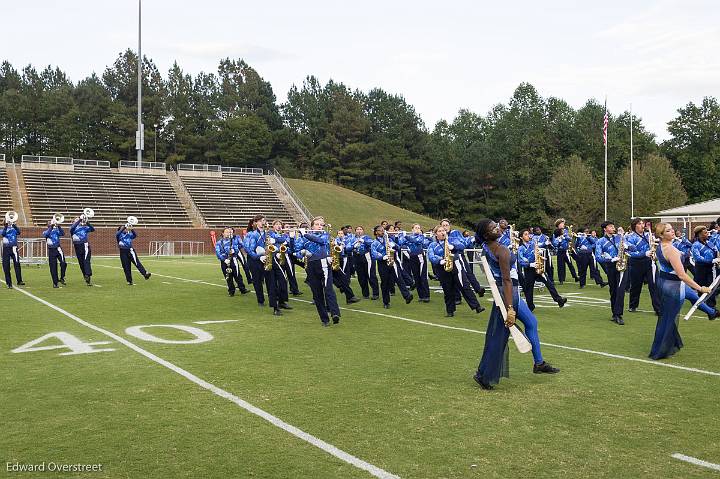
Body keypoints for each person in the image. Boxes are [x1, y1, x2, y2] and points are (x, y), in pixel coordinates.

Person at [473, 219, 559, 391]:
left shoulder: (487, 247)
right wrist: (510, 308)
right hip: (508, 292)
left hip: (504, 292)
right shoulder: (502, 250)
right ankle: (483, 374)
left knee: (530, 323)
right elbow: (506, 279)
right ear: (486, 234)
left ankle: (539, 363)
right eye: (493, 228)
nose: (497, 228)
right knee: (499, 336)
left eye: (495, 225)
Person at [650, 223, 713, 360]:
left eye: (672, 229)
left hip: (666, 282)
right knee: (668, 318)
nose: (672, 231)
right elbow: (682, 275)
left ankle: (711, 313)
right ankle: (660, 350)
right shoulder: (670, 249)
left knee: (667, 317)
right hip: (673, 286)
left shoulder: (662, 246)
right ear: (661, 235)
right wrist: (700, 288)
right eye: (668, 230)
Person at [426, 225, 484, 317]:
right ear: (436, 234)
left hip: (456, 265)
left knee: (464, 285)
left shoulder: (452, 240)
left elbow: (462, 246)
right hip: (443, 268)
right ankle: (450, 311)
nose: (442, 232)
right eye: (440, 231)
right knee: (448, 290)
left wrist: (453, 247)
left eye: (444, 230)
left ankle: (477, 306)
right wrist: (439, 260)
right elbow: (431, 256)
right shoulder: (433, 245)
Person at [243, 215, 290, 316]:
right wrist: (258, 257)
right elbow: (247, 248)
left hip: (269, 259)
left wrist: (278, 242)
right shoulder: (251, 234)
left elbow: (281, 239)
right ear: (255, 223)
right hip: (256, 260)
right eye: (260, 221)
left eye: (263, 221)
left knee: (274, 283)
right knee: (258, 281)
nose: (262, 223)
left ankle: (277, 305)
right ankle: (262, 301)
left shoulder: (268, 233)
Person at [301, 216, 341, 326]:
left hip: (324, 263)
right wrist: (292, 239)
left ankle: (335, 313)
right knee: (317, 293)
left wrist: (305, 234)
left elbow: (321, 241)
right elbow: (297, 248)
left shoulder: (325, 234)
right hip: (311, 265)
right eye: (317, 224)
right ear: (312, 226)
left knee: (328, 289)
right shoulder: (304, 236)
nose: (320, 226)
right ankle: (324, 319)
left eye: (321, 225)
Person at [517, 229, 566, 310]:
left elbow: (537, 251)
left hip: (538, 268)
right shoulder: (521, 248)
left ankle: (559, 300)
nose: (528, 236)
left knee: (549, 282)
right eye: (525, 234)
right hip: (529, 270)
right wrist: (530, 264)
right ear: (521, 237)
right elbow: (520, 261)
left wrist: (540, 256)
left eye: (528, 234)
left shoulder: (533, 244)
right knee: (529, 289)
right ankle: (530, 306)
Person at [595, 221, 629, 325]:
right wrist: (610, 260)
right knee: (613, 290)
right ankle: (614, 313)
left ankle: (619, 314)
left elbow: (631, 247)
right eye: (610, 226)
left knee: (620, 289)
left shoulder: (619, 237)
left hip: (622, 265)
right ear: (605, 229)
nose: (613, 228)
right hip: (611, 266)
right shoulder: (600, 241)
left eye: (613, 226)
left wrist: (626, 242)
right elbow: (598, 257)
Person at [371, 225, 413, 309]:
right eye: (380, 230)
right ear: (376, 232)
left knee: (399, 278)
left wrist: (393, 246)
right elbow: (373, 254)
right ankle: (386, 302)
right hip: (382, 264)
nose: (382, 231)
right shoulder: (374, 243)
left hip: (392, 261)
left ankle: (407, 296)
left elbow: (398, 247)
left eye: (383, 230)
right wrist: (382, 257)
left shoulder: (388, 239)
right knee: (385, 283)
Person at [626, 218, 661, 315]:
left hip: (649, 262)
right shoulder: (630, 237)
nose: (642, 225)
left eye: (643, 223)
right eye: (640, 223)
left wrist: (655, 247)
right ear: (635, 226)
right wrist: (644, 253)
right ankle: (633, 305)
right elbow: (630, 253)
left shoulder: (649, 235)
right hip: (636, 263)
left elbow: (654, 246)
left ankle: (658, 308)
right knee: (636, 286)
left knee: (654, 285)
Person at [690, 225, 720, 310]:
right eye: (705, 233)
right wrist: (711, 260)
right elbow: (698, 258)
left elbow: (716, 251)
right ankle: (701, 302)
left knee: (711, 285)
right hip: (700, 268)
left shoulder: (709, 243)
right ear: (699, 234)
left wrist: (717, 259)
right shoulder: (696, 245)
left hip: (711, 268)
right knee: (701, 285)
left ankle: (711, 305)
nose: (708, 234)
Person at [215, 227, 249, 296]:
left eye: (229, 232)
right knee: (228, 277)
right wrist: (224, 260)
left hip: (233, 260)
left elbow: (237, 249)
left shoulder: (233, 241)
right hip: (225, 262)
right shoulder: (219, 243)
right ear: (223, 233)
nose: (228, 233)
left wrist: (234, 251)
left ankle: (242, 289)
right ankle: (231, 291)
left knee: (237, 275)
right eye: (226, 232)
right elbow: (218, 253)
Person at [403, 224, 431, 302]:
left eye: (419, 228)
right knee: (416, 277)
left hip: (420, 257)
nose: (418, 229)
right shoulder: (409, 237)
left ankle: (426, 295)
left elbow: (416, 241)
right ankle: (421, 296)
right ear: (412, 229)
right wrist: (399, 236)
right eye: (416, 228)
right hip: (412, 257)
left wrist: (406, 236)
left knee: (423, 276)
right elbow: (401, 243)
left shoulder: (421, 236)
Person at [351, 226, 379, 300]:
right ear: (355, 231)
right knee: (361, 276)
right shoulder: (352, 238)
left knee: (371, 275)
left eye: (360, 229)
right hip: (356, 257)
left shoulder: (366, 237)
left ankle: (375, 293)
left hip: (367, 257)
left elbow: (372, 243)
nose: (359, 231)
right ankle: (365, 294)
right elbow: (348, 247)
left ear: (363, 231)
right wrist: (352, 245)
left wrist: (363, 241)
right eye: (357, 229)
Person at [70, 213, 95, 286]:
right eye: (76, 220)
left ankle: (88, 275)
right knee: (81, 263)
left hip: (85, 245)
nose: (79, 221)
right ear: (73, 222)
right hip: (77, 246)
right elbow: (72, 228)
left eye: (79, 220)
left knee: (86, 261)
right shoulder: (72, 228)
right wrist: (79, 220)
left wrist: (87, 222)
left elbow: (93, 229)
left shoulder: (84, 227)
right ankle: (86, 276)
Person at [552, 219, 578, 284]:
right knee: (560, 266)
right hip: (560, 250)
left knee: (570, 264)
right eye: (562, 223)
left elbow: (570, 239)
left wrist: (565, 237)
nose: (563, 224)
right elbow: (554, 242)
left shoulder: (566, 231)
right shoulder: (555, 232)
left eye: (563, 223)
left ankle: (575, 277)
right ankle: (561, 279)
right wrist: (559, 240)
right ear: (558, 224)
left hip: (566, 250)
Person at [43, 218, 67, 288]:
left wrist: (59, 226)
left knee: (63, 263)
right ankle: (55, 283)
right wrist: (51, 226)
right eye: (50, 223)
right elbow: (46, 235)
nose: (51, 223)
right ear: (48, 225)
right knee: (53, 267)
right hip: (51, 250)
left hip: (58, 249)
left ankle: (62, 277)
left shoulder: (56, 231)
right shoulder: (45, 232)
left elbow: (63, 233)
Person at [1, 220, 24, 288]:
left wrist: (14, 225)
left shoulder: (14, 229)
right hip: (6, 249)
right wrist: (5, 226)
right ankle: (9, 283)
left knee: (17, 264)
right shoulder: (2, 230)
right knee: (6, 266)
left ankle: (19, 280)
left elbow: (19, 232)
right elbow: (3, 234)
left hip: (14, 248)